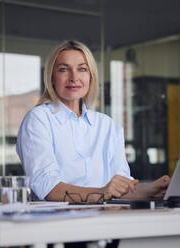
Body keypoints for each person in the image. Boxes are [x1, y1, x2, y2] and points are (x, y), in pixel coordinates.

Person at [16, 40, 170, 202]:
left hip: (103, 219)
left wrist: (152, 189)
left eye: (82, 69)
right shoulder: (38, 119)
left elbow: (122, 188)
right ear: (52, 78)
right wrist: (102, 192)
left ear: (90, 77)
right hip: (56, 222)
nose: (74, 77)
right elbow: (48, 189)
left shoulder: (107, 125)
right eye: (63, 69)